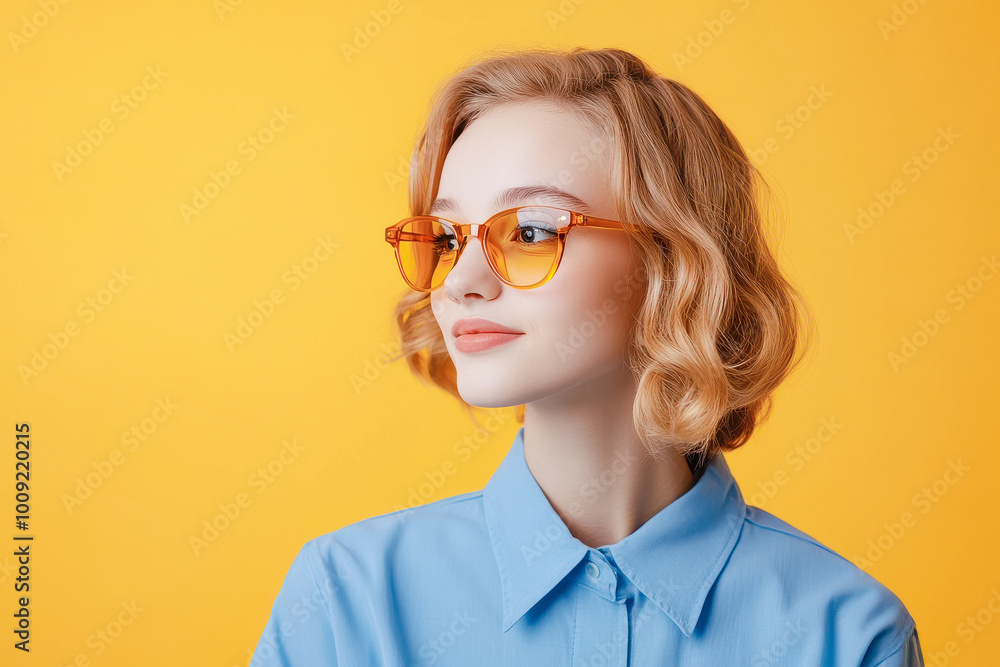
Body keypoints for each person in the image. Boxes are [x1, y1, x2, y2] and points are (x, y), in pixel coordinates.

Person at [250, 46, 925, 666]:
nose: (459, 282)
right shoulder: (347, 598)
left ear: (672, 261)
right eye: (449, 238)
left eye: (532, 230)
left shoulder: (844, 631)